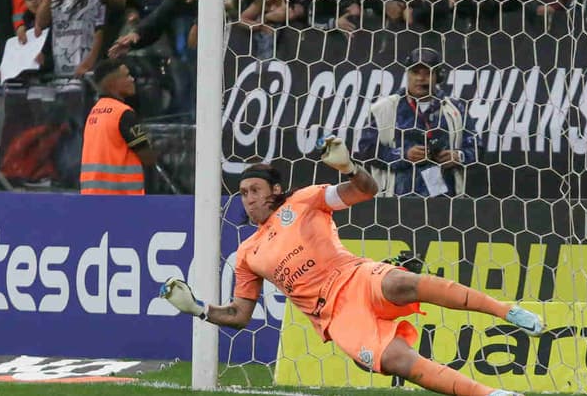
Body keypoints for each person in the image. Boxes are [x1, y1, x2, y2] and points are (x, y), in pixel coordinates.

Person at [160, 141, 543, 396]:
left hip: (355, 276)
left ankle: (504, 309)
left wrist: (347, 167)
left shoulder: (306, 200)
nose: (248, 199)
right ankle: (494, 395)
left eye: (254, 190)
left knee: (401, 282)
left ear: (275, 191)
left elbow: (365, 190)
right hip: (336, 317)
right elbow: (241, 314)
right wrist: (200, 310)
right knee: (397, 363)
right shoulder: (247, 253)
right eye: (243, 194)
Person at [356, 47, 478, 197]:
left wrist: (458, 156)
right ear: (407, 74)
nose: (421, 78)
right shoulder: (383, 109)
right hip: (395, 200)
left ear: (438, 76)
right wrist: (404, 155)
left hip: (444, 200)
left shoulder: (455, 109)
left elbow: (477, 149)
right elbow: (367, 149)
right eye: (415, 72)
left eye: (427, 73)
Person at [80, 58, 156, 195]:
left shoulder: (93, 113)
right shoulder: (123, 114)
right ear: (113, 83)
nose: (132, 79)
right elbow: (147, 157)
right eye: (127, 76)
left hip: (91, 197)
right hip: (122, 200)